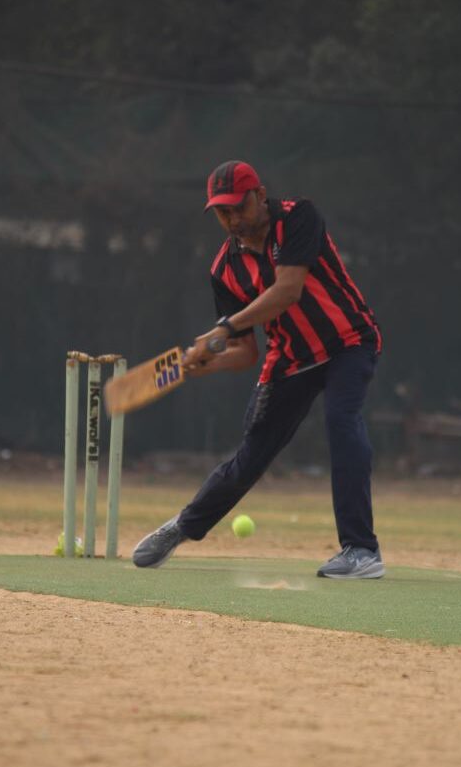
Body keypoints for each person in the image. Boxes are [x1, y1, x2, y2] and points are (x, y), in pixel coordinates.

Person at [133, 160, 384, 579]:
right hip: (291, 359)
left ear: (260, 196)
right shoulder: (223, 270)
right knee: (251, 457)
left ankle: (361, 550)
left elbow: (287, 291)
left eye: (239, 207)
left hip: (348, 341)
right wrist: (204, 364)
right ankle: (183, 527)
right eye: (223, 211)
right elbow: (246, 352)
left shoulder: (299, 217)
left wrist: (219, 332)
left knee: (342, 419)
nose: (233, 218)